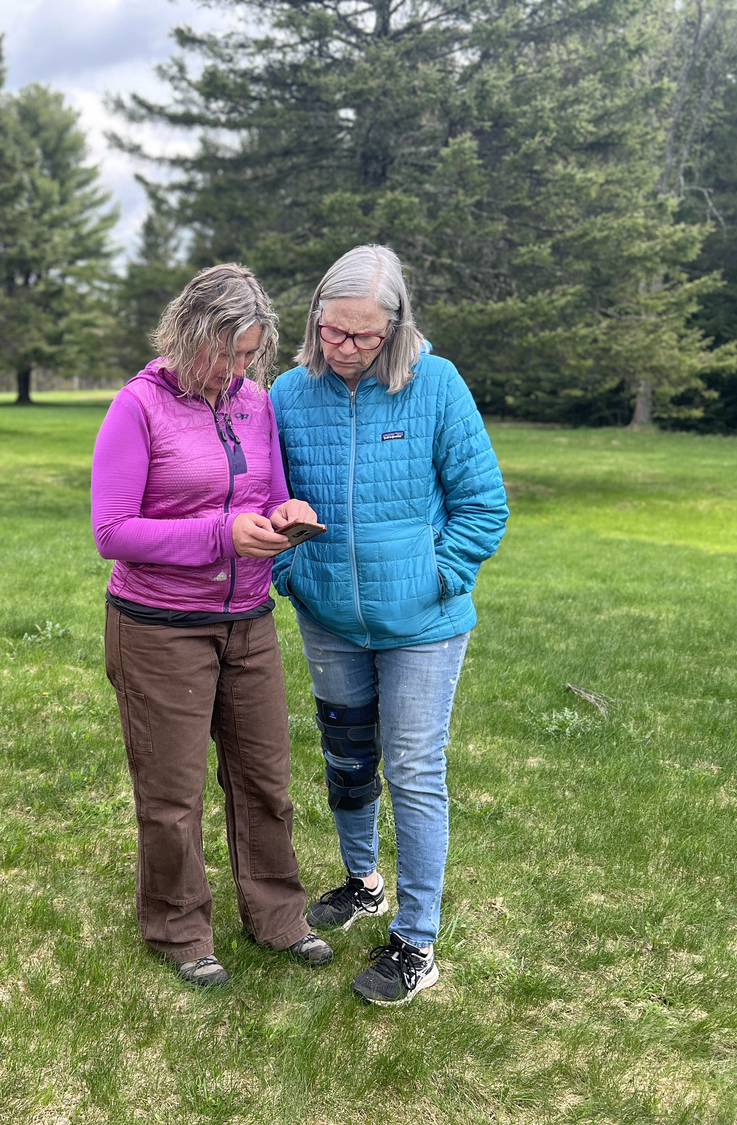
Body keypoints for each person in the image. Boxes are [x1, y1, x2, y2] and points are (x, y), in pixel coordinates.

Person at [268, 244, 509, 1005]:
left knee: (412, 769)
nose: (344, 349)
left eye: (363, 337)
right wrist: (290, 573)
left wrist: (438, 574)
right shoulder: (285, 394)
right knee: (346, 762)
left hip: (425, 626)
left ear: (396, 328)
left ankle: (416, 939)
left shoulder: (435, 385)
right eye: (333, 332)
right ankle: (363, 882)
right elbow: (266, 500)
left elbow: (483, 504)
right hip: (329, 617)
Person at [92, 263, 332, 988]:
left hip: (248, 620)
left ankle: (278, 915)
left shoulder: (255, 403)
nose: (234, 368)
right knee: (172, 793)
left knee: (266, 778)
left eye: (248, 354)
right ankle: (178, 927)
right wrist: (221, 534)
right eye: (223, 352)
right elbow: (114, 531)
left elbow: (271, 490)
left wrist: (288, 514)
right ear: (188, 333)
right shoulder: (137, 406)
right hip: (159, 626)